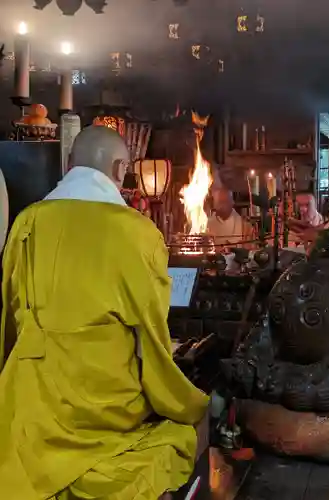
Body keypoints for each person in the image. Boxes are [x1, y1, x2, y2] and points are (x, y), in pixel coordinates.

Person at [0, 125, 209, 500]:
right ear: (119, 169)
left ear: (68, 164)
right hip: (103, 409)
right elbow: (152, 336)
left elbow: (9, 317)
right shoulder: (136, 232)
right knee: (185, 428)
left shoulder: (26, 222)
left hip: (29, 405)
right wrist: (184, 399)